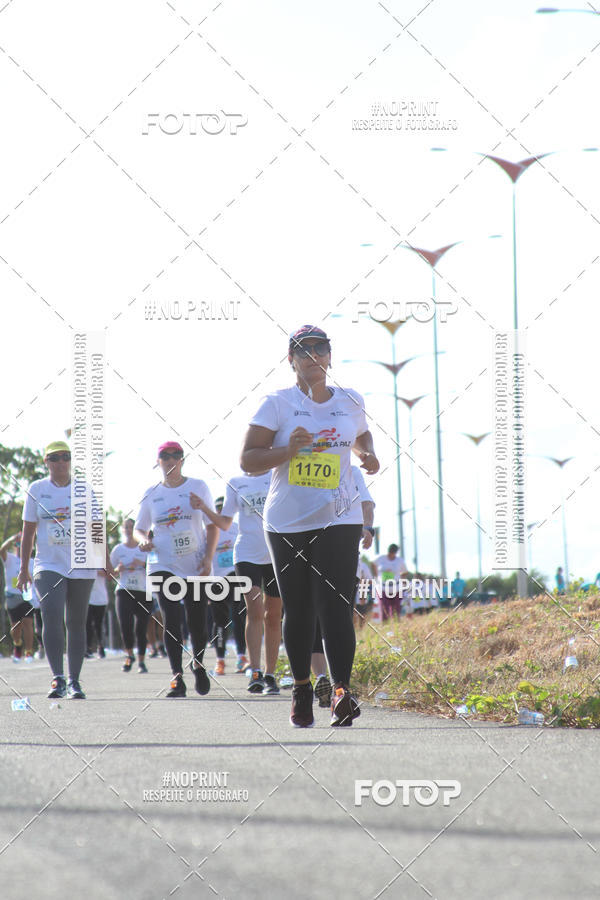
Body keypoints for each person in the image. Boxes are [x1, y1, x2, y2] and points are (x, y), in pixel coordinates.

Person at [241, 325, 380, 727]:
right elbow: (248, 459)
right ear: (292, 360)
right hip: (287, 521)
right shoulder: (277, 404)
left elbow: (361, 436)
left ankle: (341, 691)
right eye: (303, 350)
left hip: (340, 515)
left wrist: (367, 454)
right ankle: (302, 687)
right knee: (298, 610)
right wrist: (289, 450)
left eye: (321, 348)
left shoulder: (350, 400)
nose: (313, 355)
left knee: (336, 607)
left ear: (330, 356)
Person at [17, 441, 107, 699]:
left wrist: (104, 560)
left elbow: (96, 527)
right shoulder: (37, 489)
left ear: (70, 461)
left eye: (65, 457)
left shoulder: (84, 489)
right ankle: (57, 678)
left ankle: (75, 681)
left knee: (76, 622)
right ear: (46, 462)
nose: (60, 462)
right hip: (49, 564)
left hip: (82, 562)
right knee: (51, 615)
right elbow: (28, 532)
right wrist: (24, 568)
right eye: (54, 458)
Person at [134, 441, 218, 698]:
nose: (170, 459)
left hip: (194, 564)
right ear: (158, 461)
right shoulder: (151, 493)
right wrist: (143, 541)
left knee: (197, 622)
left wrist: (208, 559)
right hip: (162, 564)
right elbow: (139, 528)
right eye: (165, 456)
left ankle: (198, 663)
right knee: (172, 618)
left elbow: (212, 525)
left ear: (182, 460)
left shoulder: (198, 487)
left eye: (176, 455)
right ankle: (176, 677)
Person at [192, 472, 282, 695]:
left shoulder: (277, 474)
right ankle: (255, 671)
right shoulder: (235, 482)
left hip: (275, 552)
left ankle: (271, 674)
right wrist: (204, 507)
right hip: (246, 553)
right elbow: (225, 522)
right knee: (255, 611)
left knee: (273, 615)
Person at [204, 496, 247, 676]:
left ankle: (242, 657)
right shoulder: (207, 531)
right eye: (218, 509)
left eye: (223, 508)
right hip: (216, 581)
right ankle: (220, 660)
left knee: (240, 618)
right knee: (219, 623)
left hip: (235, 577)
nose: (221, 512)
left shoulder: (236, 527)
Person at [111, 518, 152, 673]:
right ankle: (129, 655)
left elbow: (156, 566)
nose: (128, 530)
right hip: (124, 589)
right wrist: (117, 570)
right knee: (125, 624)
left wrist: (142, 564)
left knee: (141, 627)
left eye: (132, 527)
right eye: (126, 527)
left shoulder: (145, 548)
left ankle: (141, 661)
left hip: (143, 590)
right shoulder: (118, 550)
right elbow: (108, 572)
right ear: (123, 530)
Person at [1, 533, 34, 661]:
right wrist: (12, 538)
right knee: (16, 628)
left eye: (23, 545)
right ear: (15, 547)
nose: (20, 548)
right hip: (12, 596)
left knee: (27, 623)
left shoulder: (31, 562)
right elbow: (2, 550)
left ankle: (29, 652)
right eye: (18, 545)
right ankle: (18, 644)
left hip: (26, 595)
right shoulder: (9, 558)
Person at [374, 544, 407, 620]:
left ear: (395, 552)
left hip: (396, 589)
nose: (391, 554)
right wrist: (376, 575)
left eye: (393, 552)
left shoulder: (400, 561)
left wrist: (401, 579)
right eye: (390, 552)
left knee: (396, 611)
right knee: (384, 610)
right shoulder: (381, 558)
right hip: (383, 588)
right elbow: (373, 564)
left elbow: (404, 572)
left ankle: (396, 627)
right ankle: (385, 627)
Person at [86, 571, 108, 658]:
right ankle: (88, 647)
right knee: (87, 624)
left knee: (98, 624)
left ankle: (101, 646)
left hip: (100, 598)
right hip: (87, 597)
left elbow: (110, 575)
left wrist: (96, 571)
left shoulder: (101, 560)